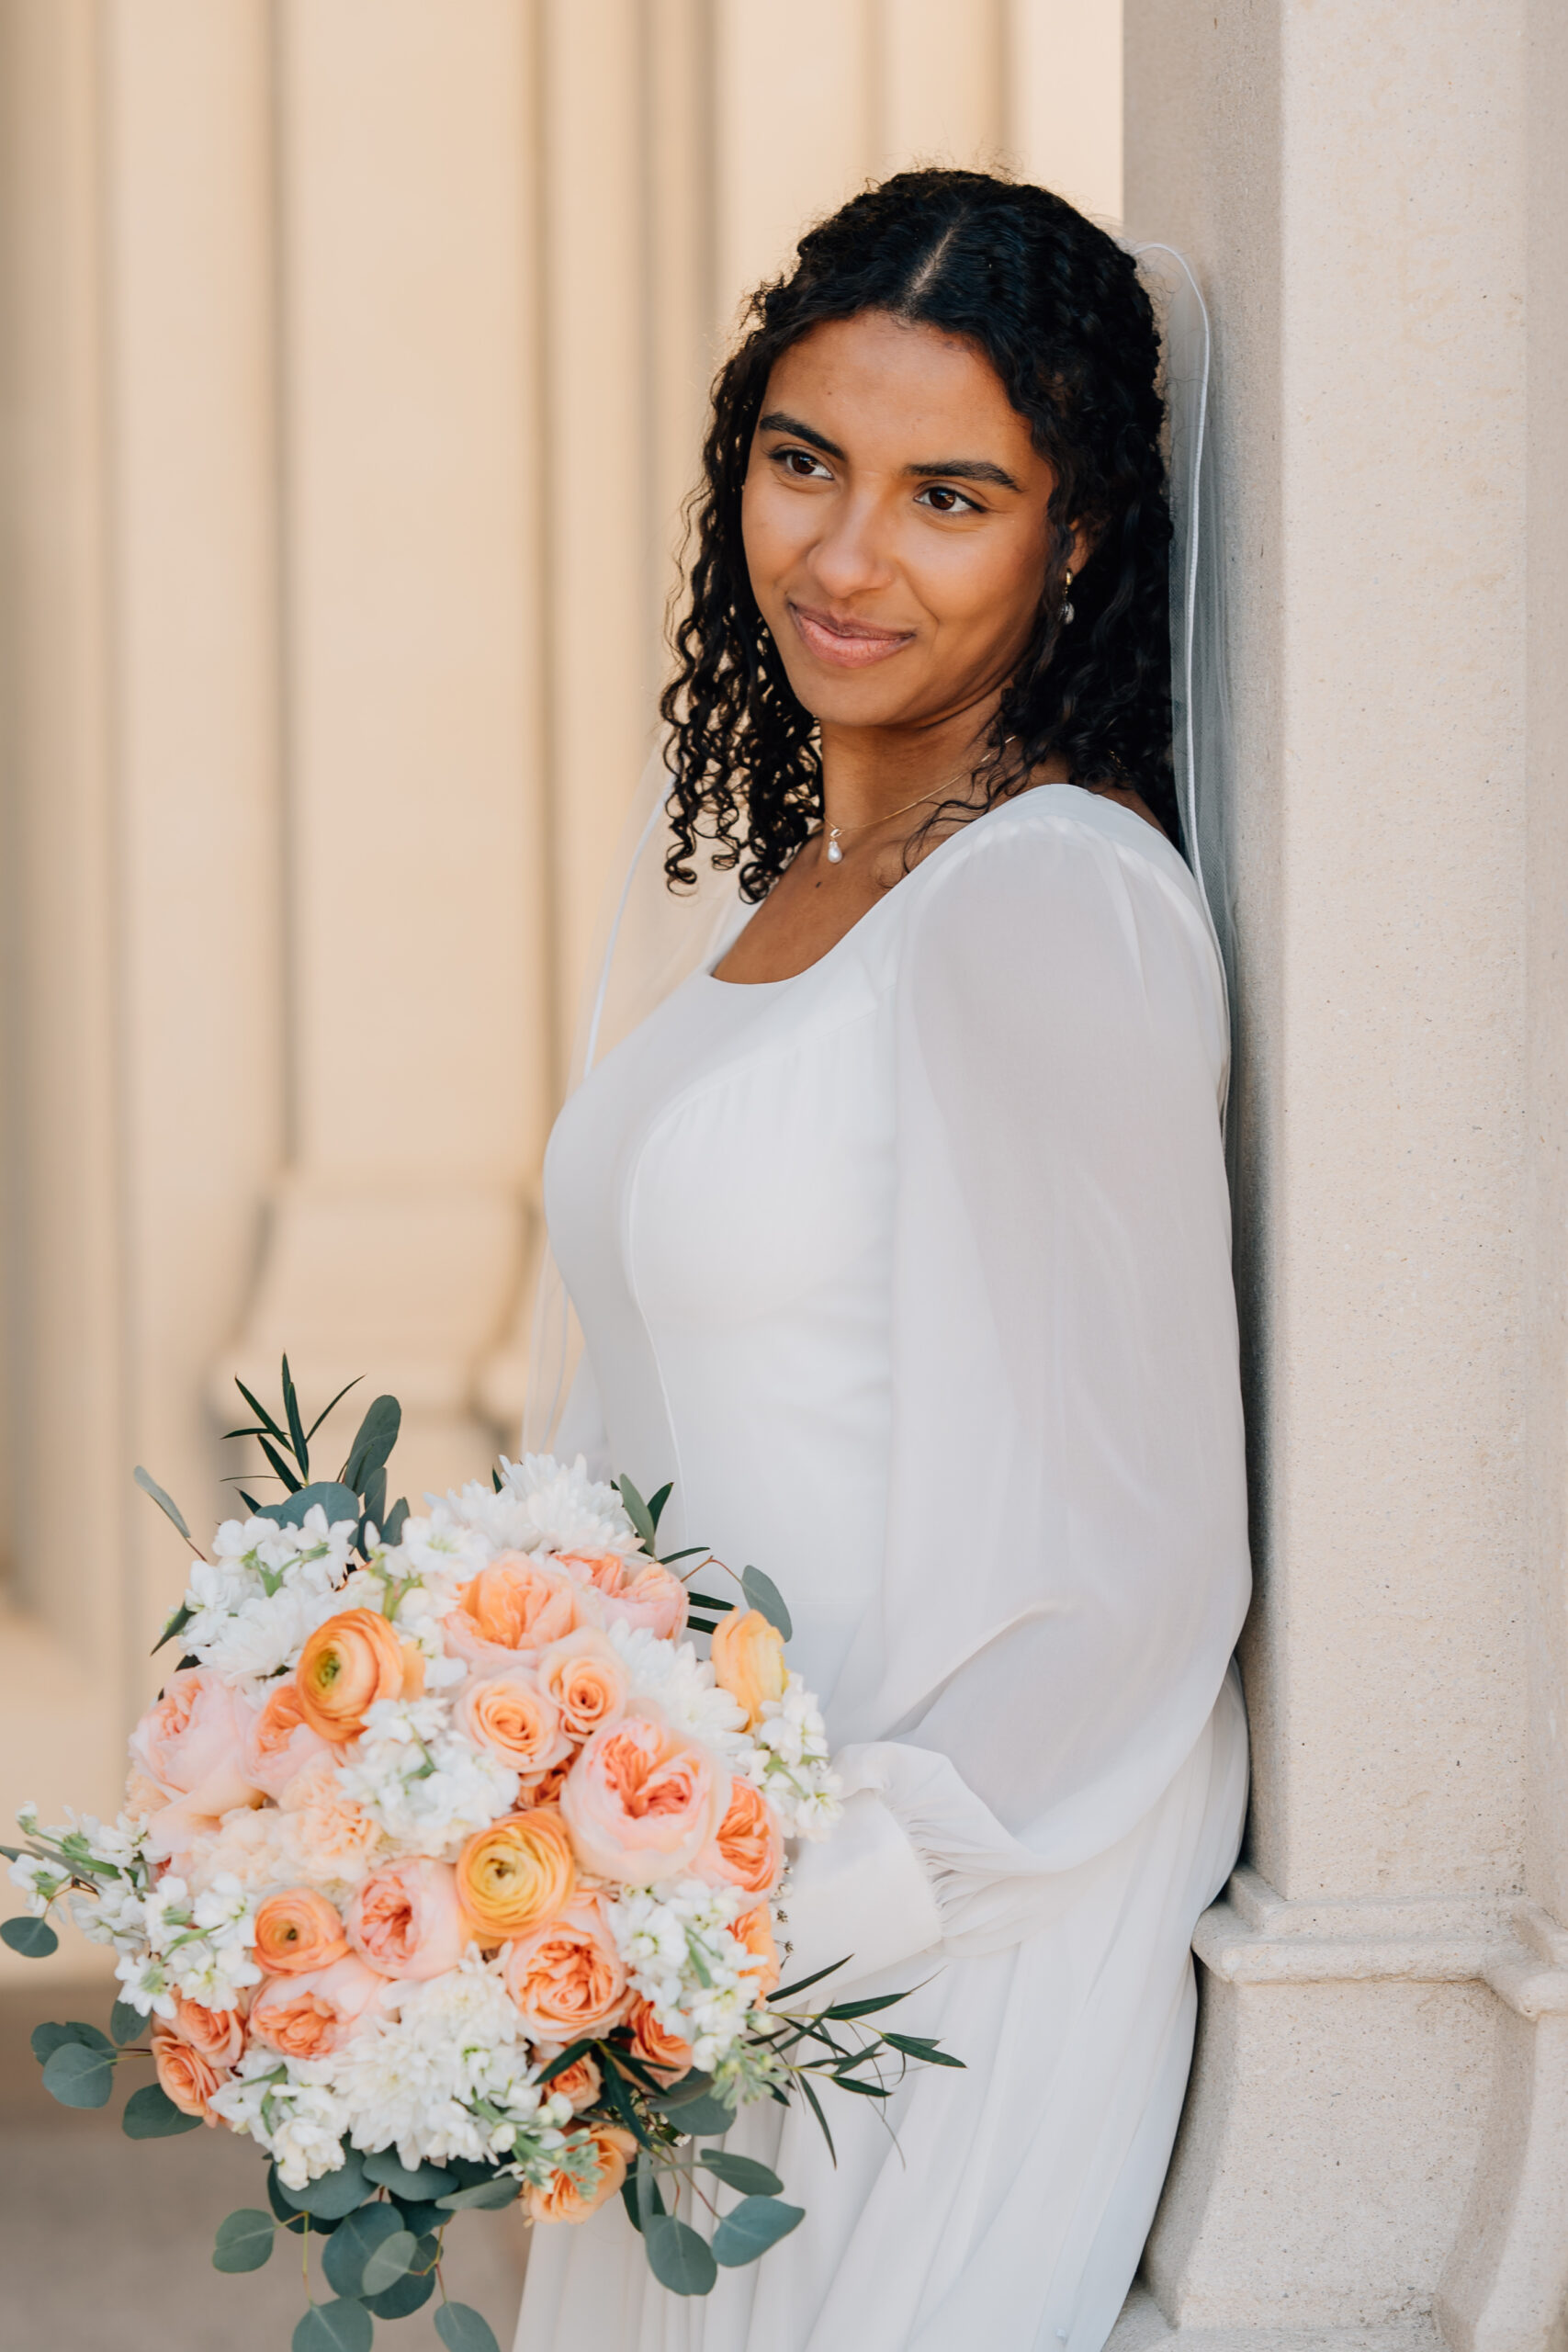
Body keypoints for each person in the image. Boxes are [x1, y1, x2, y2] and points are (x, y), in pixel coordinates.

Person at [514, 168, 1249, 2352]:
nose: (843, 557)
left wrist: (787, 1907)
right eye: (802, 459)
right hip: (687, 1924)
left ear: (1075, 537)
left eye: (948, 496)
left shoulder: (1047, 907)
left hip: (906, 1980)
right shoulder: (760, 862)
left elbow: (1136, 1575)